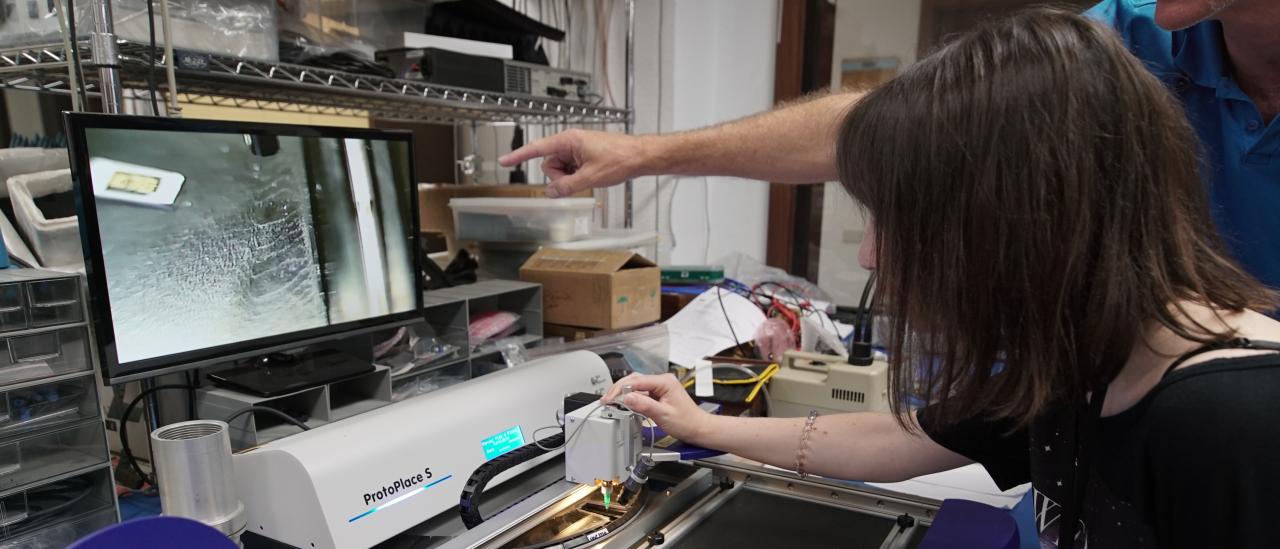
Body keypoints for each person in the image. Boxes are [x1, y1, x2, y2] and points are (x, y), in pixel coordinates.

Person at [572, 10, 1280, 549]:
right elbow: (900, 439)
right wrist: (701, 425)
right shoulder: (1085, 354)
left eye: (891, 215)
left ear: (1008, 221)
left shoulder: (1226, 426)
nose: (873, 255)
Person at [499, 0, 1280, 295]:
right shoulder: (1130, 40)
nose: (870, 258)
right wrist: (639, 155)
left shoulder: (1208, 416)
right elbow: (903, 125)